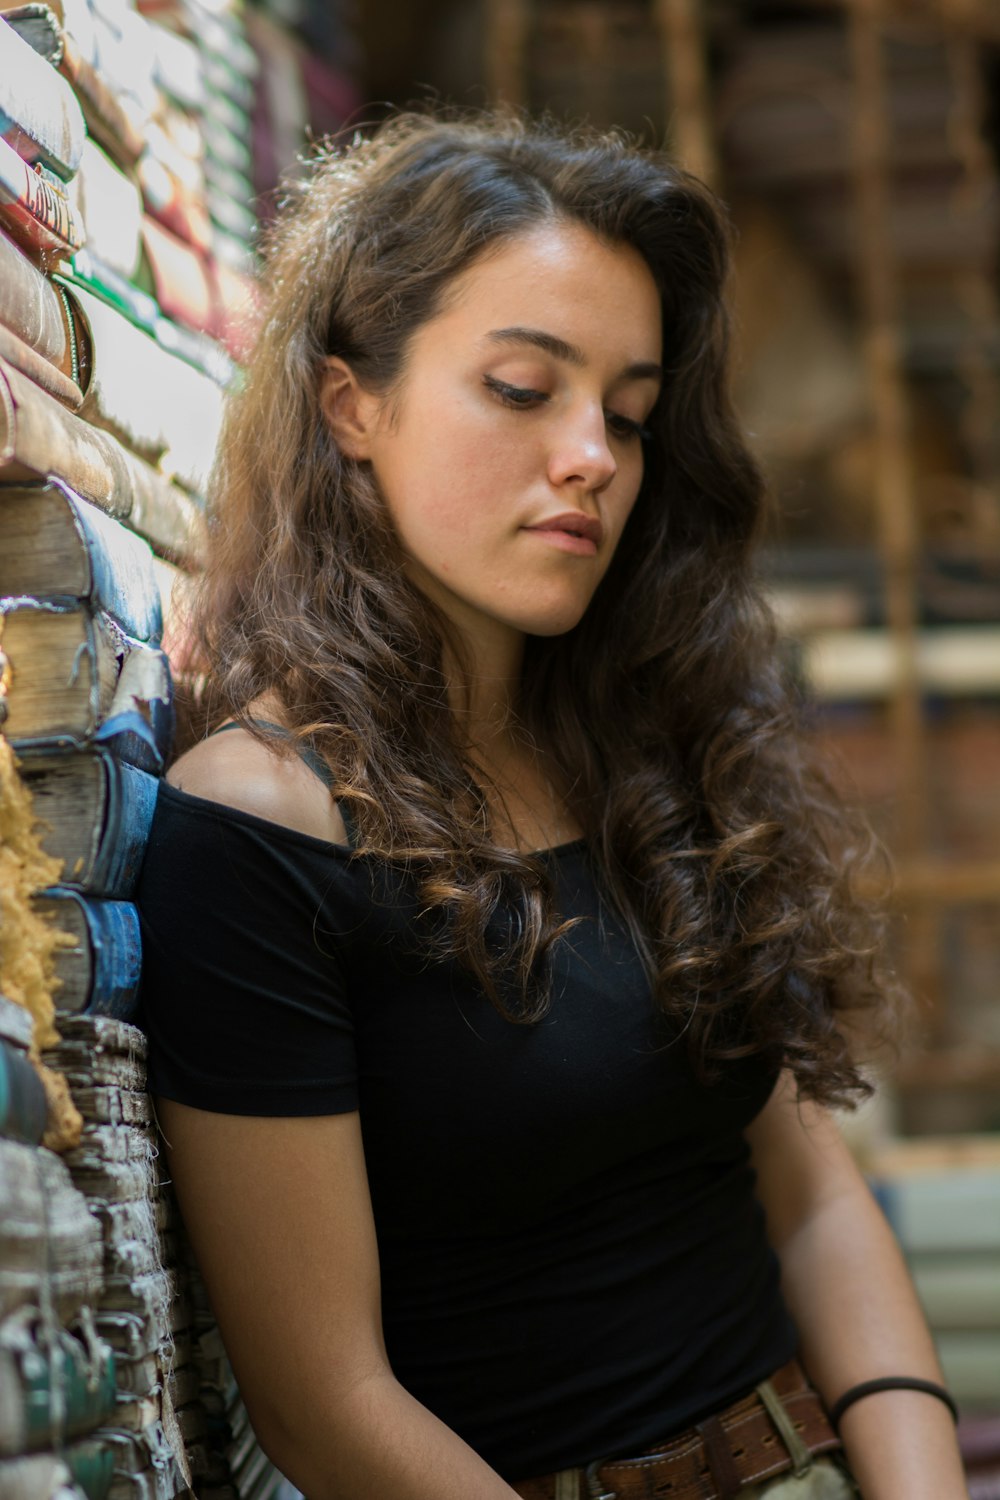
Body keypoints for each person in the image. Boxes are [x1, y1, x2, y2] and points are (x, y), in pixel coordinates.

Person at [136, 111, 969, 1500]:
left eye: (629, 416)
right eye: (524, 387)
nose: (592, 454)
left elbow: (812, 1193)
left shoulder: (644, 746)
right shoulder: (260, 826)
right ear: (353, 404)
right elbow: (326, 1404)